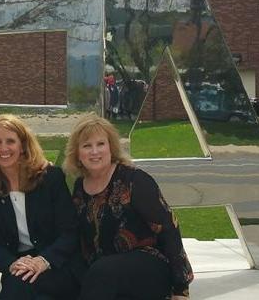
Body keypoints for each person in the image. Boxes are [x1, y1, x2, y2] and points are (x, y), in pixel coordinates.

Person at [63, 115, 193, 300]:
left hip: (148, 268)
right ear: (77, 153)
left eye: (101, 144)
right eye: (86, 146)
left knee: (103, 272)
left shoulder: (134, 180)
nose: (94, 151)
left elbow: (168, 228)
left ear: (111, 147)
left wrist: (181, 289)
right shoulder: (78, 187)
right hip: (105, 276)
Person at [0, 115, 80, 300]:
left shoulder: (50, 178)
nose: (4, 148)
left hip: (56, 263)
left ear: (22, 146)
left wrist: (43, 261)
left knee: (19, 288)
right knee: (22, 285)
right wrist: (12, 264)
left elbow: (70, 232)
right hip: (19, 266)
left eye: (10, 141)